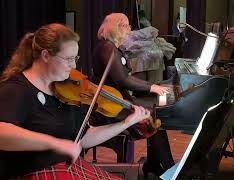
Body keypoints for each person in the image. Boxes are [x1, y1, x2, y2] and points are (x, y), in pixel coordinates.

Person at [0, 23, 150, 179]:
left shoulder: (67, 91)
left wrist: (125, 123)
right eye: (69, 59)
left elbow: (84, 138)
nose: (74, 66)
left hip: (66, 167)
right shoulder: (16, 89)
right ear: (45, 55)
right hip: (35, 173)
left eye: (75, 58)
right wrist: (55, 143)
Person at [91, 13, 175, 177]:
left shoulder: (112, 47)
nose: (130, 29)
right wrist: (152, 87)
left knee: (154, 115)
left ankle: (155, 165)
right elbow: (123, 80)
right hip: (108, 107)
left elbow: (125, 78)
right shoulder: (108, 48)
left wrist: (152, 87)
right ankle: (166, 169)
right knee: (151, 119)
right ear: (118, 27)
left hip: (115, 100)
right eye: (127, 25)